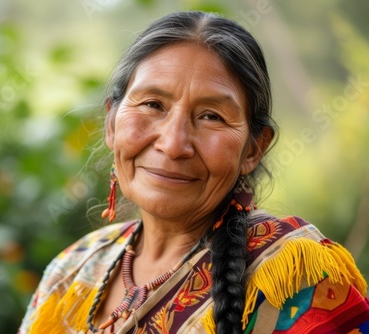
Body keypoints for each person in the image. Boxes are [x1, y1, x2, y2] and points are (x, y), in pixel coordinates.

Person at [19, 11, 369, 334]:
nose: (173, 144)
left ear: (253, 148)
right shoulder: (73, 270)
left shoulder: (296, 277)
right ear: (111, 124)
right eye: (153, 105)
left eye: (211, 116)